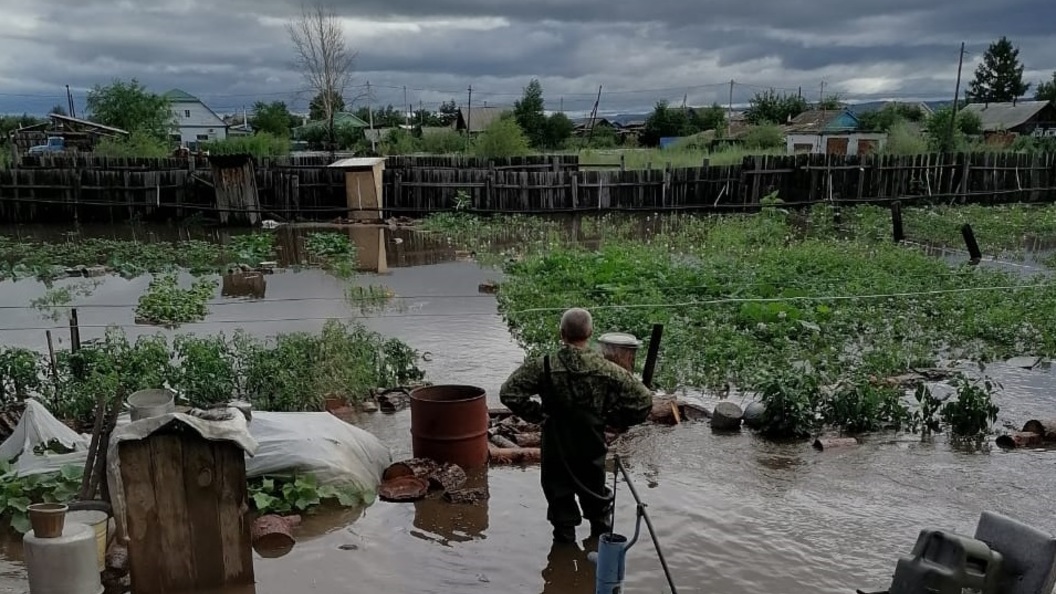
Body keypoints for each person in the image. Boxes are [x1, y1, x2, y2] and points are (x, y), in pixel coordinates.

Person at [500, 307, 654, 544]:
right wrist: (614, 422)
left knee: (559, 501)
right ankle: (596, 558)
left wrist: (538, 415)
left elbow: (509, 393)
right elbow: (643, 400)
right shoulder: (607, 369)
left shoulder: (545, 365)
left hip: (556, 442)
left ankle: (563, 556)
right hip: (591, 442)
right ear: (590, 333)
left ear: (562, 333)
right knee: (596, 497)